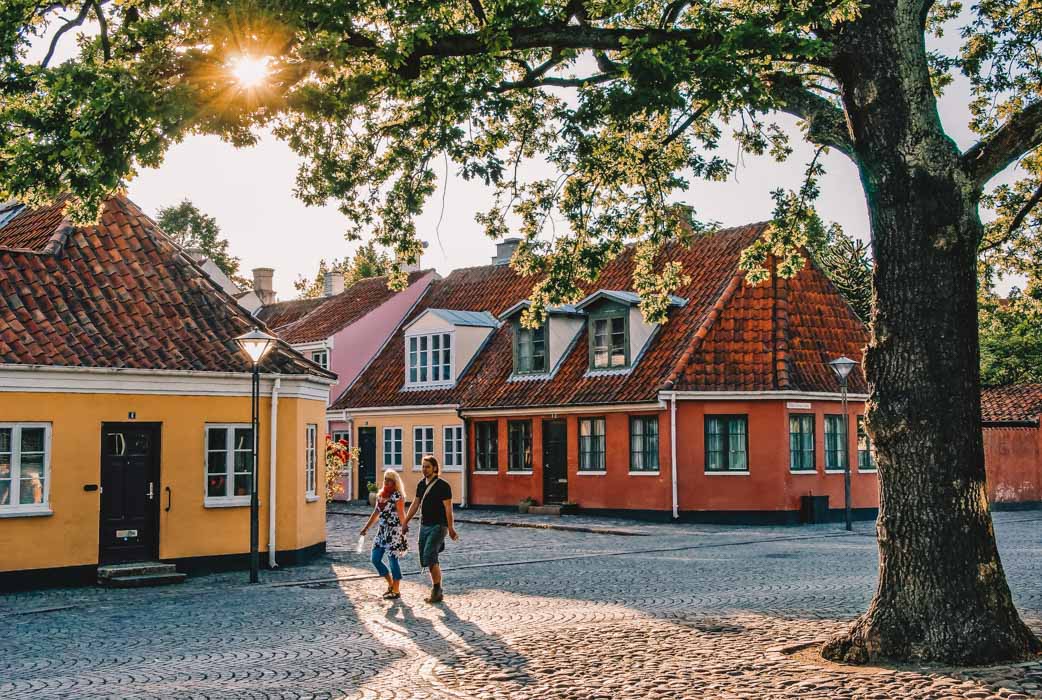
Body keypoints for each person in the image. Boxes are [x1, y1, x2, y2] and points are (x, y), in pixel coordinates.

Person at [402, 454, 458, 603]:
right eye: (423, 466)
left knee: (429, 555)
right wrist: (405, 521)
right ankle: (437, 589)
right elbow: (415, 504)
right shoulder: (421, 484)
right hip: (424, 524)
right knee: (426, 557)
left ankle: (437, 590)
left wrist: (451, 528)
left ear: (435, 468)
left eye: (427, 467)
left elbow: (448, 508)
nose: (424, 469)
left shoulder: (443, 486)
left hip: (439, 525)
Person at [360, 469, 408, 599]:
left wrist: (404, 526)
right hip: (382, 532)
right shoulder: (380, 495)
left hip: (394, 532)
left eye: (390, 481)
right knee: (375, 559)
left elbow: (401, 513)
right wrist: (366, 528)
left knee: (393, 560)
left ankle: (396, 590)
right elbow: (376, 514)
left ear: (395, 483)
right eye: (386, 479)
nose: (387, 482)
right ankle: (390, 583)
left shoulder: (397, 496)